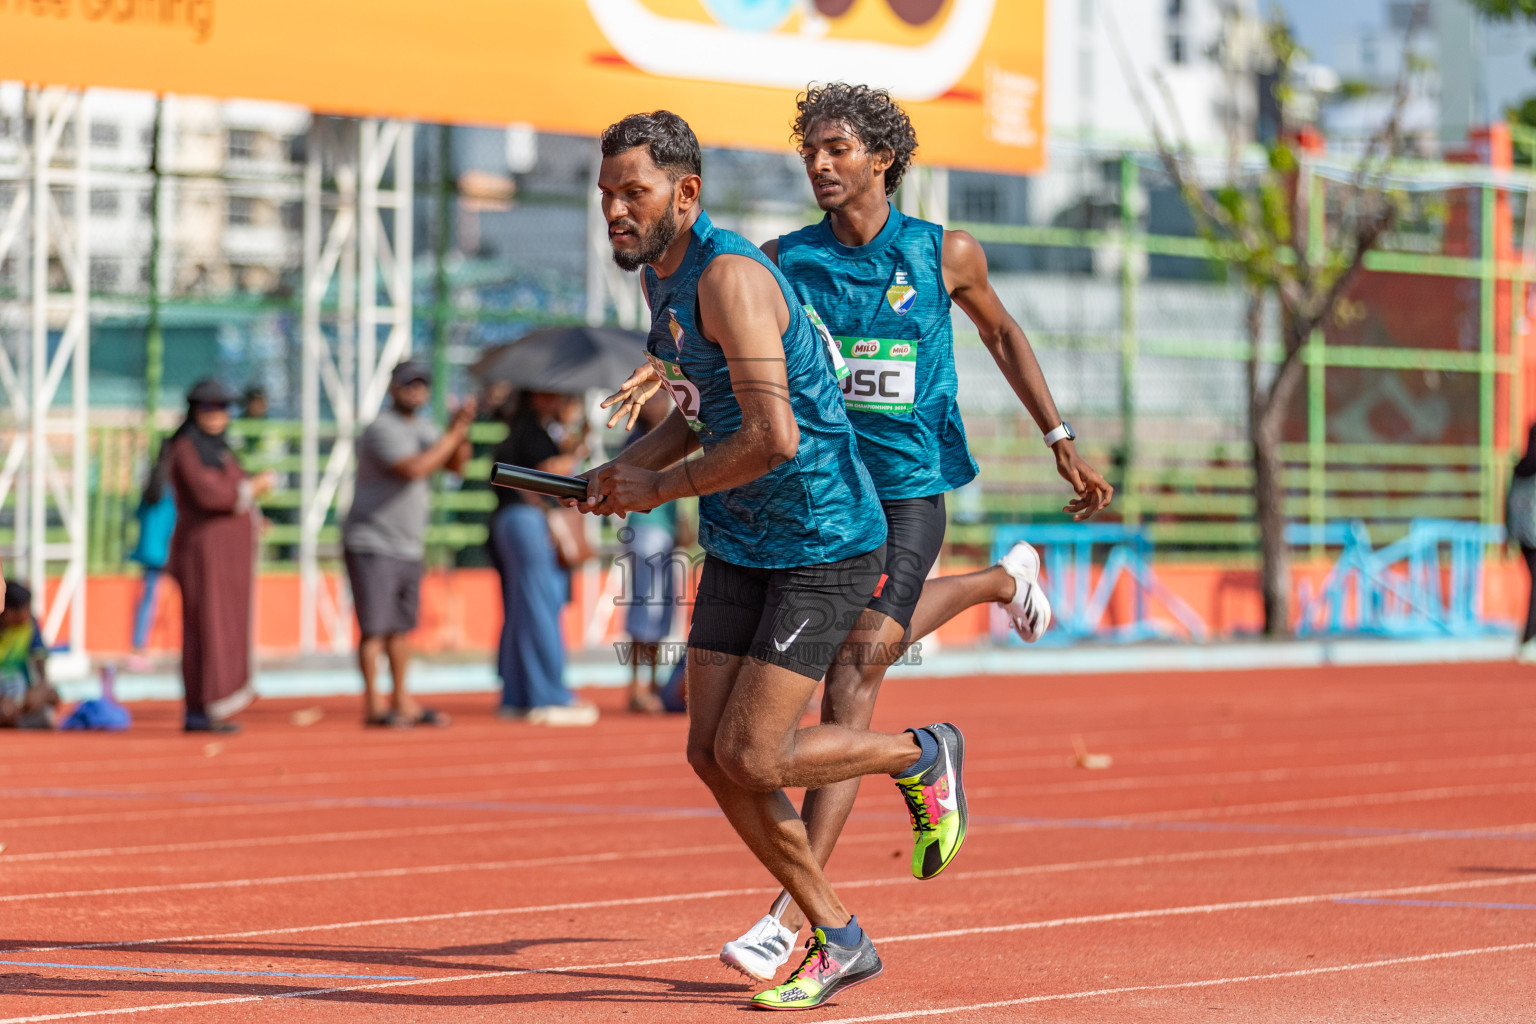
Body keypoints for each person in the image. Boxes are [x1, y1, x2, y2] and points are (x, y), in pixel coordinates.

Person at [605, 85, 1116, 981]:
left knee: (856, 666)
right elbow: (719, 350)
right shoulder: (781, 260)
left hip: (898, 487)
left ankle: (800, 910)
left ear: (882, 157)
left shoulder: (942, 251)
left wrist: (1059, 436)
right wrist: (663, 375)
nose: (819, 165)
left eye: (837, 148)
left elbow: (1001, 335)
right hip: (794, 493)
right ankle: (999, 586)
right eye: (810, 150)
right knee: (753, 731)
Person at [575, 110, 967, 1011]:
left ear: (686, 192)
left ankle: (918, 754)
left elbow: (774, 435)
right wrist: (621, 467)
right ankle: (840, 937)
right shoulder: (665, 285)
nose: (614, 212)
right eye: (605, 196)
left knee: (753, 752)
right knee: (710, 755)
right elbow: (695, 408)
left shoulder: (731, 279)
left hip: (823, 543)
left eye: (631, 193)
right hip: (743, 543)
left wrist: (658, 490)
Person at [342, 360, 474, 728]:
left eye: (421, 385)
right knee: (374, 628)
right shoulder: (382, 429)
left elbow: (457, 467)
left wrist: (459, 431)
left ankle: (402, 701)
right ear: (393, 389)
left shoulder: (429, 429)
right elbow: (414, 468)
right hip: (373, 540)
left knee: (399, 628)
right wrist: (451, 436)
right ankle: (373, 705)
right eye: (408, 384)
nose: (415, 391)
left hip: (407, 543)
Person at [166, 379, 273, 733]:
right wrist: (250, 489)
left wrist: (254, 515)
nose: (218, 416)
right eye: (210, 408)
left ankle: (214, 704)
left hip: (228, 560)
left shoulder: (221, 450)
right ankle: (202, 705)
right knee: (206, 627)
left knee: (223, 626)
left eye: (224, 408)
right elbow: (210, 494)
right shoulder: (185, 448)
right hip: (203, 555)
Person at [488, 390, 598, 726]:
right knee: (540, 607)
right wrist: (578, 449)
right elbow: (549, 474)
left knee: (523, 609)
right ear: (538, 396)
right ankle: (549, 696)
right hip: (528, 523)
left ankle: (517, 696)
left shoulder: (519, 431)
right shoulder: (534, 432)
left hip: (510, 522)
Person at [618, 398, 693, 713]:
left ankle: (649, 682)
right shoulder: (637, 443)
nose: (659, 406)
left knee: (661, 611)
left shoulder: (671, 439)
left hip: (665, 531)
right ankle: (637, 686)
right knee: (644, 608)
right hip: (645, 529)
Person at [127, 446, 177, 670]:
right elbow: (175, 521)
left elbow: (138, 515)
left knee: (147, 599)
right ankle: (140, 648)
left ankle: (139, 647)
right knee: (156, 599)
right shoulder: (175, 488)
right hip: (165, 552)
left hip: (147, 551)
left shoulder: (151, 487)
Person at [0, 581, 58, 729]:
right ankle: (22, 721)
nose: (26, 614)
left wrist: (40, 689)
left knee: (52, 695)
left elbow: (40, 663)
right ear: (6, 611)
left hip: (20, 695)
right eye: (22, 610)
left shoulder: (30, 625)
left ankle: (16, 720)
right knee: (5, 710)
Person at [1508, 422, 1536, 662]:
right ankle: (1528, 638)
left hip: (1523, 536)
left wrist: (1509, 534)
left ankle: (1528, 638)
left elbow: (1508, 501)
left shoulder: (1520, 466)